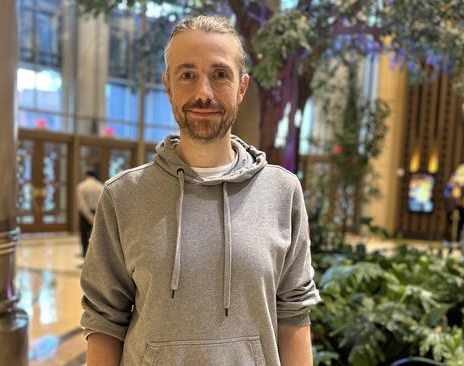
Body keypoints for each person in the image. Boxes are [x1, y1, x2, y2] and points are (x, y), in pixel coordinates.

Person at [80, 15, 320, 365]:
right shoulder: (124, 195)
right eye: (187, 75)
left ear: (241, 87)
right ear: (168, 86)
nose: (203, 93)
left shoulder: (281, 192)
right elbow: (104, 320)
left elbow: (294, 314)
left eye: (220, 75)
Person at [76, 170, 104, 257]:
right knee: (97, 236)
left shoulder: (81, 186)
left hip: (85, 215)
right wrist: (95, 217)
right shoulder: (101, 186)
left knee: (84, 236)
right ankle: (95, 256)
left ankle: (85, 256)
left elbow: (82, 204)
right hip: (98, 212)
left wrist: (89, 217)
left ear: (86, 175)